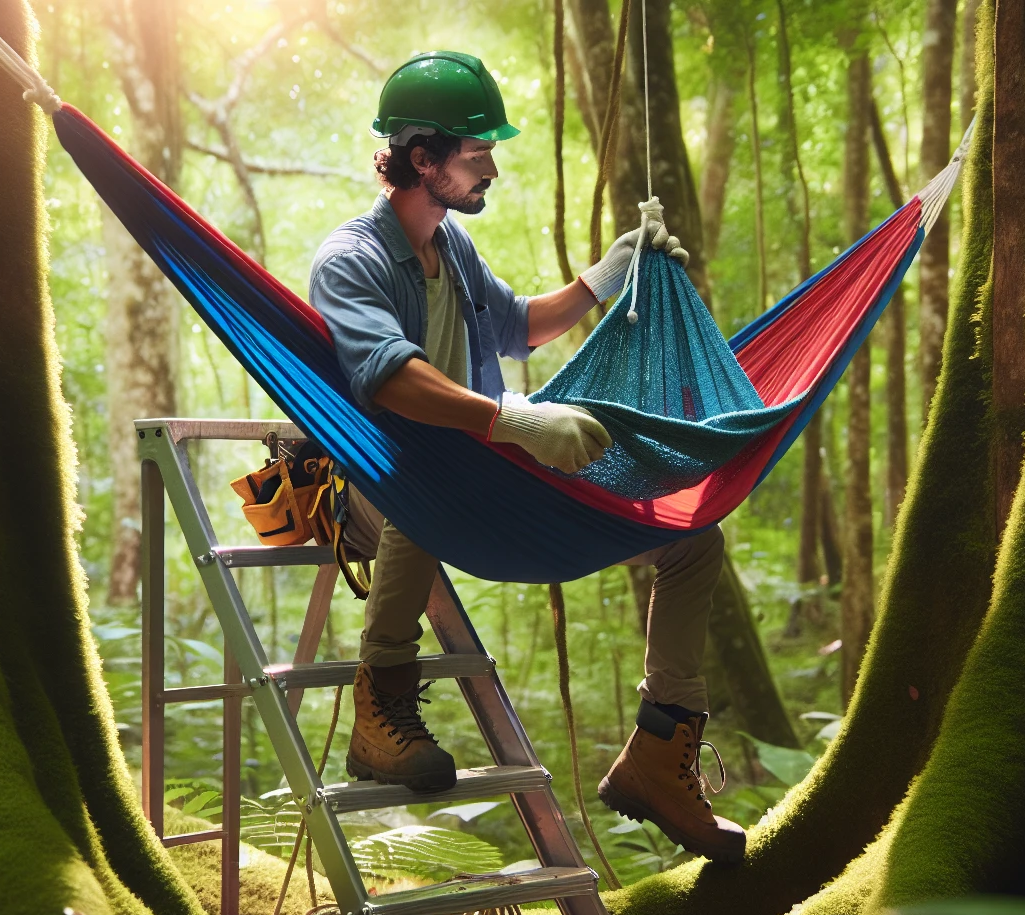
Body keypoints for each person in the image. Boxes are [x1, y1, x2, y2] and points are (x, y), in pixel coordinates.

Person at [307, 51, 744, 864]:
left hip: (482, 480)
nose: (493, 171)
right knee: (423, 482)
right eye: (477, 156)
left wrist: (603, 279)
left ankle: (658, 750)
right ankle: (381, 709)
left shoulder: (453, 248)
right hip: (375, 491)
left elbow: (517, 327)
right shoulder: (351, 260)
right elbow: (390, 382)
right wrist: (509, 419)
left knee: (691, 540)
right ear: (422, 157)